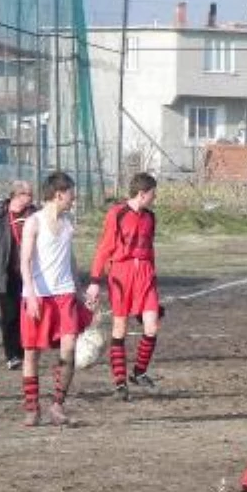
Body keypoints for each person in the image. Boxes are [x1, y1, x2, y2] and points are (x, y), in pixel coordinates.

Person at [84, 171, 163, 401]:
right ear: (142, 193)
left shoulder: (150, 217)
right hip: (121, 274)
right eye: (152, 194)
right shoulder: (117, 214)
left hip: (145, 275)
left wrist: (154, 279)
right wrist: (94, 281)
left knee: (151, 327)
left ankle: (139, 372)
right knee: (120, 329)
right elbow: (104, 248)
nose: (154, 198)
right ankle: (120, 382)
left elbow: (150, 249)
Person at [20, 170, 85, 427]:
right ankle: (32, 407)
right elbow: (24, 262)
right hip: (39, 296)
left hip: (65, 294)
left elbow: (71, 260)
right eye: (71, 194)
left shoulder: (69, 223)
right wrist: (32, 295)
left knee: (69, 349)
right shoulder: (33, 222)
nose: (73, 199)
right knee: (31, 354)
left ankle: (57, 405)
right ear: (59, 194)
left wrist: (79, 293)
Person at [0, 179, 37, 369]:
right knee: (10, 315)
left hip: (29, 273)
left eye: (31, 194)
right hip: (5, 273)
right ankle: (12, 355)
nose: (31, 198)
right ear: (16, 195)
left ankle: (24, 350)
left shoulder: (35, 215)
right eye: (27, 194)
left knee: (26, 314)